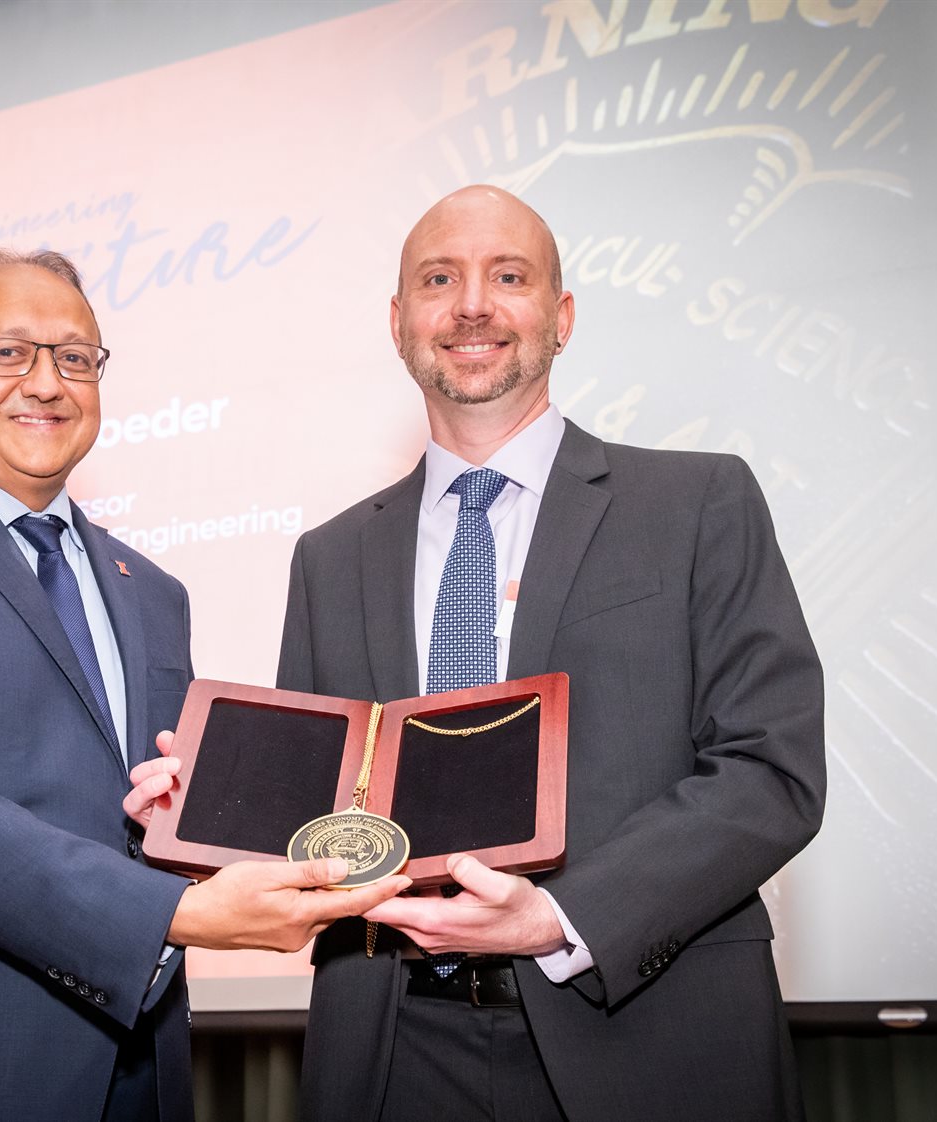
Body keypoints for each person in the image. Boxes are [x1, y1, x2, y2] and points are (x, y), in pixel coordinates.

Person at [130, 186, 826, 1121]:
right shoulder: (331, 557)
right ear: (397, 321)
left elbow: (768, 769)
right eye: (438, 278)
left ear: (561, 315)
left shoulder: (696, 504)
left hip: (644, 1038)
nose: (471, 305)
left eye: (508, 276)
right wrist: (210, 818)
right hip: (389, 1052)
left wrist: (558, 917)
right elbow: (335, 808)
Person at [0, 249, 407, 1122]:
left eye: (76, 357)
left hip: (135, 1059)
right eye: (7, 353)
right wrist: (176, 912)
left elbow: (144, 810)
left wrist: (204, 819)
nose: (47, 382)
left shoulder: (153, 590)